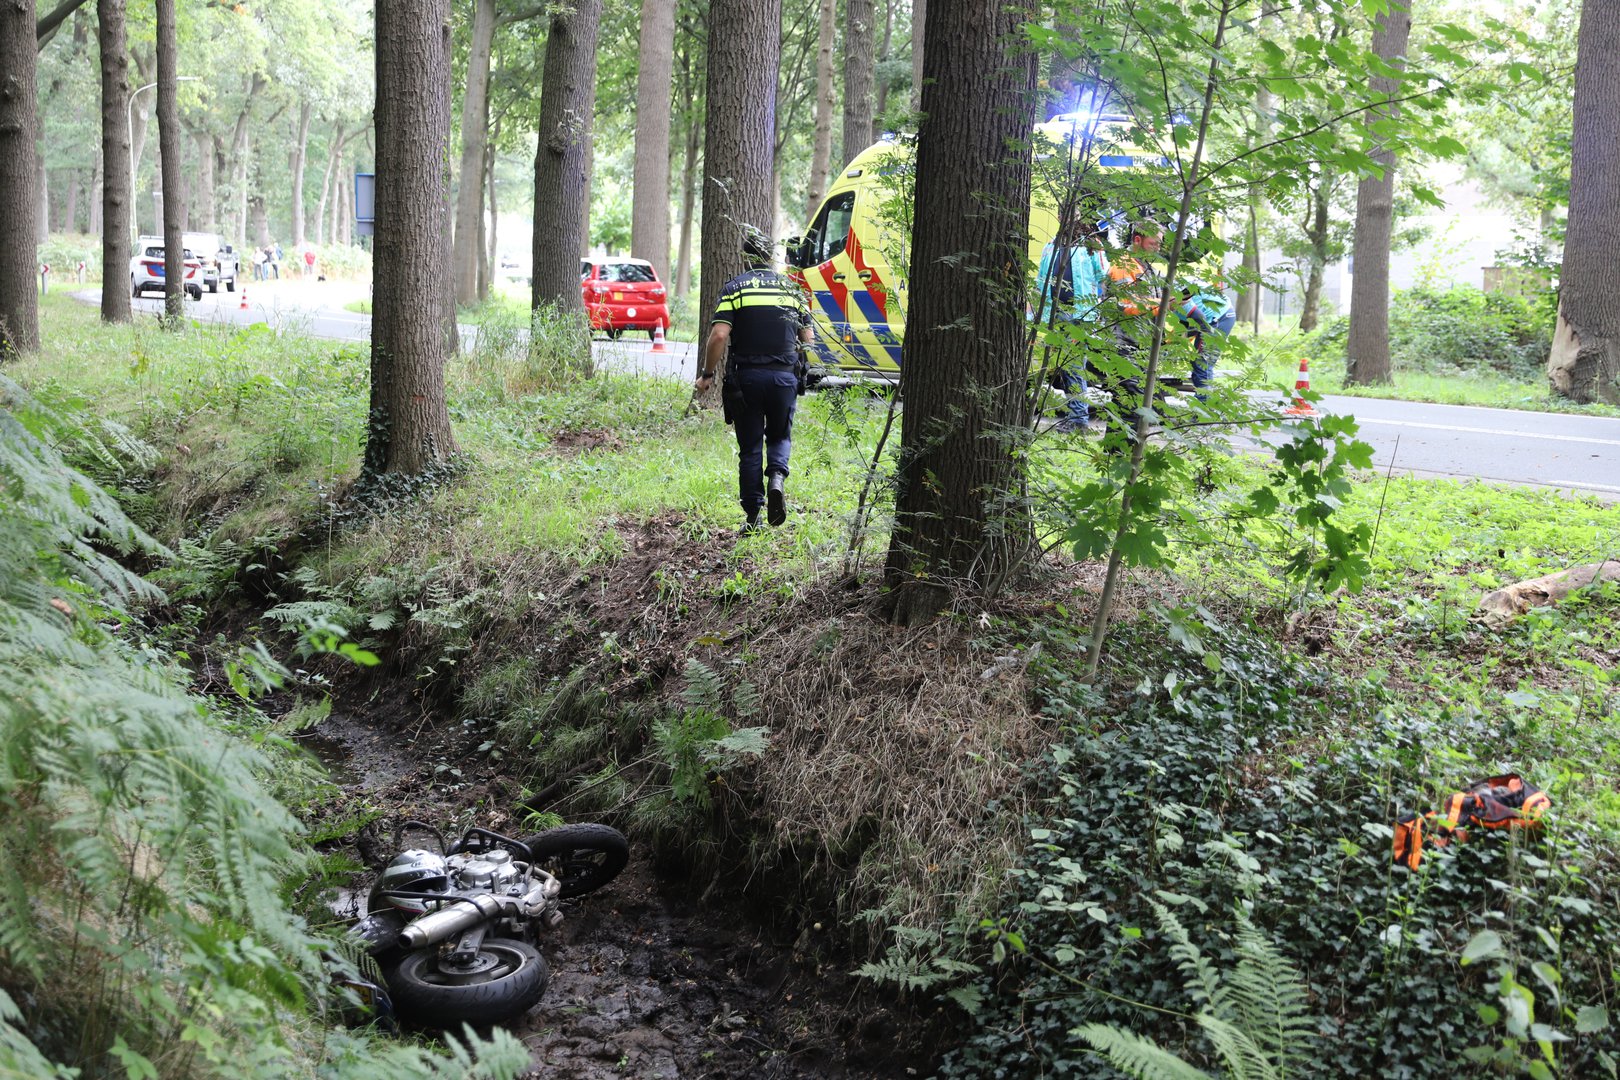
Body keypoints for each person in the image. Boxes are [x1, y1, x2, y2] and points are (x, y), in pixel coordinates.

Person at [696, 225, 813, 531]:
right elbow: (808, 339)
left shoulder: (735, 288)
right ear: (770, 256)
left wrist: (707, 375)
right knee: (780, 436)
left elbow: (720, 334)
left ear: (746, 258)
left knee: (750, 448)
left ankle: (753, 516)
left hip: (746, 380)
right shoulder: (792, 290)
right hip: (784, 378)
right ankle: (776, 476)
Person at [1032, 216, 1109, 432]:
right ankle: (1075, 415)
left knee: (1074, 365)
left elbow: (1104, 277)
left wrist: (1099, 310)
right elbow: (1040, 280)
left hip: (1080, 315)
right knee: (1064, 366)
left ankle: (1078, 419)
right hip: (1054, 315)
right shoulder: (1051, 246)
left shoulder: (1092, 245)